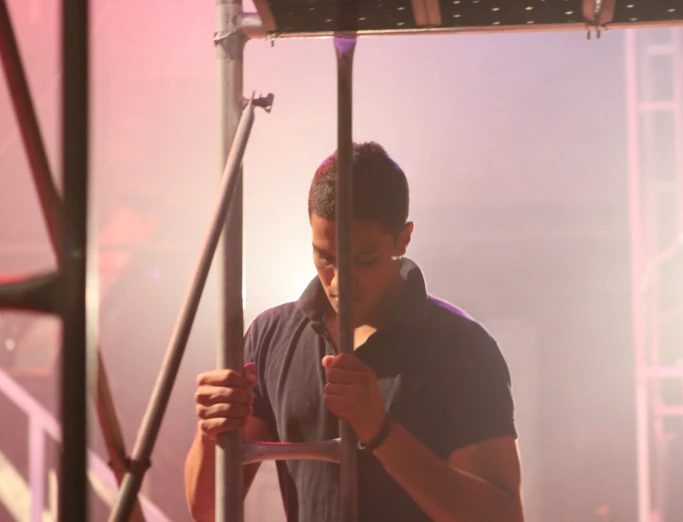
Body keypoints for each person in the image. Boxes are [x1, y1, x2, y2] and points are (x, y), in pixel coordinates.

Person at [184, 142, 525, 522]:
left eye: (364, 260)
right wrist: (211, 431)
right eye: (325, 258)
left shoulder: (462, 349)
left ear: (403, 239)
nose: (340, 282)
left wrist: (380, 432)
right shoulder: (270, 336)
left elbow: (502, 517)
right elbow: (207, 509)